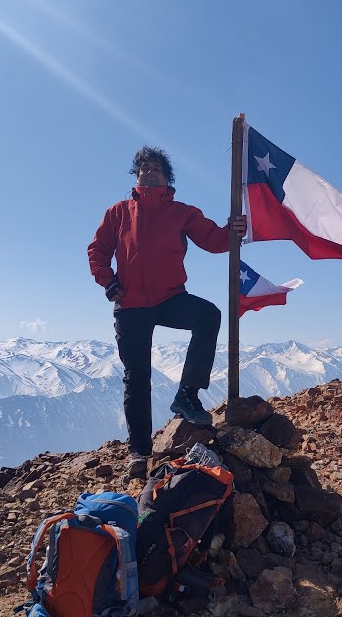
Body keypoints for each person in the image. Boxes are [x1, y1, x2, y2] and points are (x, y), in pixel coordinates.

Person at [87, 146, 247, 478]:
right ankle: (139, 452)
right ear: (136, 175)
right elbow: (97, 251)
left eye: (156, 169)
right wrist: (109, 282)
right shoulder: (118, 212)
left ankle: (187, 395)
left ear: (166, 177)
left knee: (208, 315)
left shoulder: (181, 212)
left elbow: (213, 241)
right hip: (130, 303)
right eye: (143, 169)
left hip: (170, 297)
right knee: (137, 378)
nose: (149, 173)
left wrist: (233, 231)